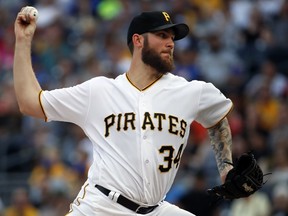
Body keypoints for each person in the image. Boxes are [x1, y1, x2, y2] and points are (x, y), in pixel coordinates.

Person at [14, 7, 234, 216]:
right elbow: (30, 103)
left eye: (172, 38)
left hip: (155, 209)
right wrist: (23, 41)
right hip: (101, 206)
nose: (170, 43)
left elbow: (217, 118)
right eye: (162, 35)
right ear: (138, 40)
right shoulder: (99, 91)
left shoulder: (190, 91)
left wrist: (226, 166)